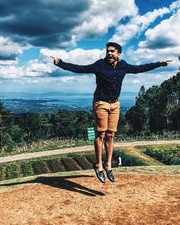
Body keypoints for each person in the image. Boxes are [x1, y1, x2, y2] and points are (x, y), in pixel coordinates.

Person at [51, 42, 172, 183]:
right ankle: (98, 165)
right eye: (107, 51)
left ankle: (108, 166)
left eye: (112, 51)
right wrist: (60, 63)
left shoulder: (123, 66)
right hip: (101, 103)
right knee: (100, 133)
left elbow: (140, 68)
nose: (109, 53)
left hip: (115, 104)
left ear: (118, 53)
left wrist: (159, 64)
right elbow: (80, 69)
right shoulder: (99, 65)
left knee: (111, 134)